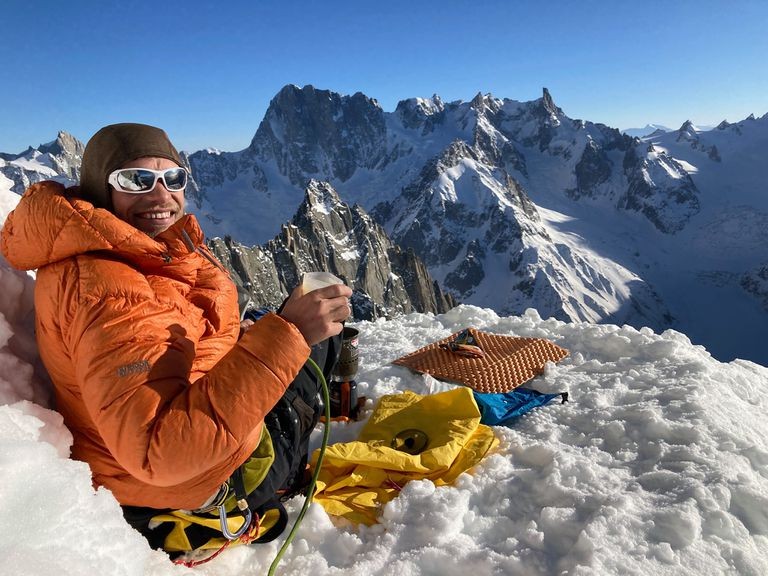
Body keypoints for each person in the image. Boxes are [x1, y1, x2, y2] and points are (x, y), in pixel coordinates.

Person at [0, 123, 352, 551]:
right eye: (135, 180)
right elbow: (159, 449)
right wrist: (290, 333)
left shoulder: (115, 252)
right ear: (98, 191)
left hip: (160, 449)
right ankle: (293, 460)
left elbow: (156, 334)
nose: (161, 195)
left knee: (270, 321)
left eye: (173, 178)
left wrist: (236, 339)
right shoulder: (108, 291)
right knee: (318, 338)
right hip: (207, 477)